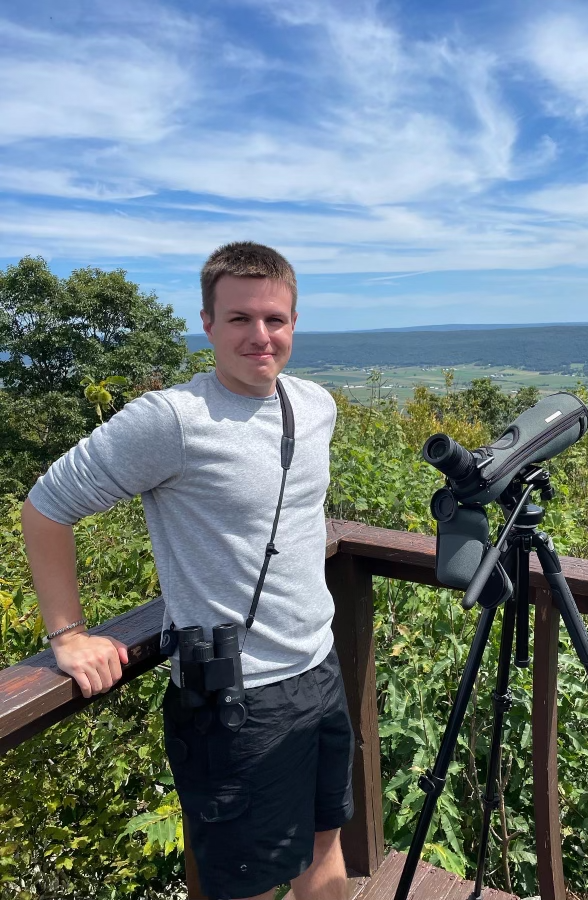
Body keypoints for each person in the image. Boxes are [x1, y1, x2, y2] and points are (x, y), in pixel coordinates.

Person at [21, 242, 354, 900]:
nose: (260, 336)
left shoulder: (315, 406)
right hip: (237, 702)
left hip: (319, 667)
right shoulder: (171, 420)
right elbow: (45, 508)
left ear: (294, 321)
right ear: (206, 323)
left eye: (275, 319)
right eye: (239, 319)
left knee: (326, 845)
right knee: (249, 885)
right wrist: (68, 635)